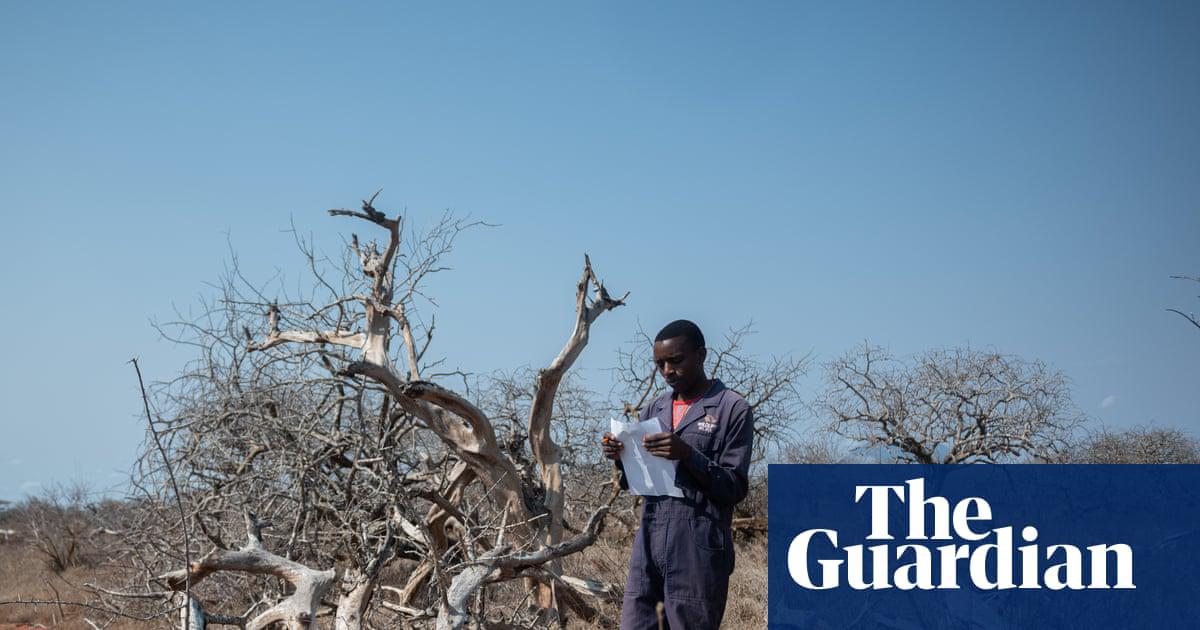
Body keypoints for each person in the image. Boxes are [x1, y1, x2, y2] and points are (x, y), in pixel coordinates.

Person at [601, 319, 755, 630]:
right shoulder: (654, 409)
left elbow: (733, 488)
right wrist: (620, 458)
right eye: (660, 364)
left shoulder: (731, 408)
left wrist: (686, 453)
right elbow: (636, 482)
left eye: (676, 360)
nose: (667, 370)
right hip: (650, 536)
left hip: (698, 542)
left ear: (701, 355)